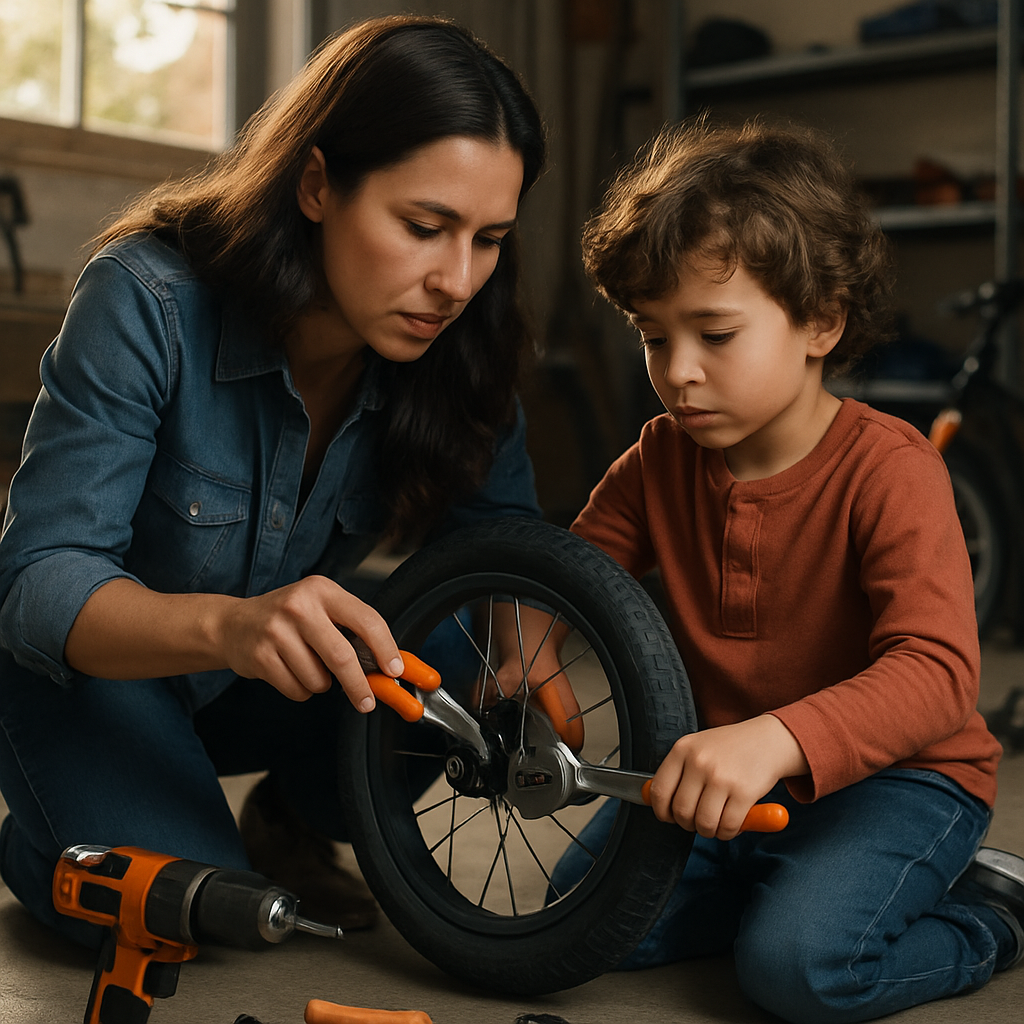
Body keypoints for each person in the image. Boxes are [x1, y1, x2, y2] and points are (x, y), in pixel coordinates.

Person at [0, 15, 546, 947]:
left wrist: (533, 669)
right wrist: (234, 626)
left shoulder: (461, 341)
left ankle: (290, 821)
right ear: (317, 184)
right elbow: (39, 582)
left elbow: (507, 544)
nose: (458, 281)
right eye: (424, 227)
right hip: (93, 676)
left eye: (489, 237)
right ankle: (43, 839)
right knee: (188, 915)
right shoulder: (147, 300)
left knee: (457, 637)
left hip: (257, 687)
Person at [550, 117, 1024, 1024]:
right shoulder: (658, 458)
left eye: (715, 334)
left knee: (797, 971)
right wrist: (525, 657)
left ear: (820, 322)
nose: (678, 373)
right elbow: (568, 575)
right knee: (581, 921)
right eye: (653, 337)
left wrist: (773, 739)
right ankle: (790, 889)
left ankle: (986, 921)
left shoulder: (893, 469)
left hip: (900, 781)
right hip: (719, 781)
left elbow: (937, 672)